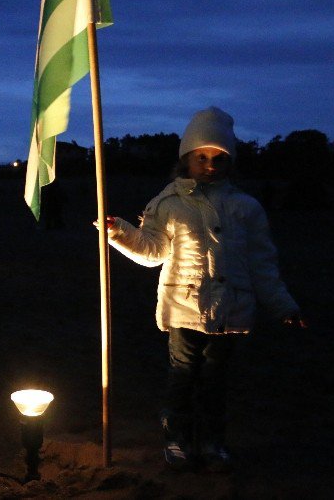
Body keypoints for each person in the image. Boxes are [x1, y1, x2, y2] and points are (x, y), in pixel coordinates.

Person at [100, 107, 306, 472]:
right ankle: (176, 438)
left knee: (214, 382)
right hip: (183, 309)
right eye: (201, 157)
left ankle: (212, 442)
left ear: (229, 161)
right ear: (186, 158)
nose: (209, 164)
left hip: (231, 311)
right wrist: (119, 232)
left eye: (218, 157)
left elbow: (262, 264)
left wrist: (284, 307)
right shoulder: (167, 203)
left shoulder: (246, 208)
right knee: (182, 376)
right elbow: (153, 251)